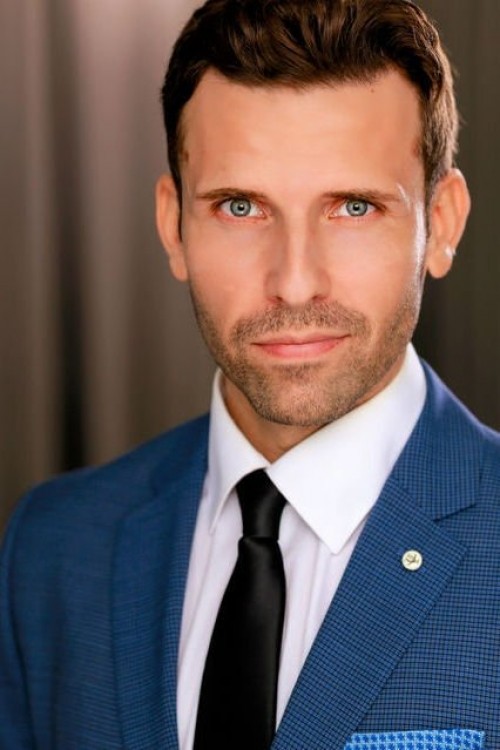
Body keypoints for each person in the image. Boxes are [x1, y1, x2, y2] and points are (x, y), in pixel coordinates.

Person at [1, 0, 499, 748]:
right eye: (240, 207)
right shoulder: (55, 549)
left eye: (353, 207)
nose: (294, 284)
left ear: (444, 223)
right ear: (173, 226)